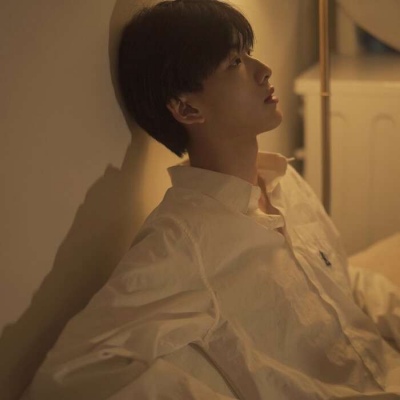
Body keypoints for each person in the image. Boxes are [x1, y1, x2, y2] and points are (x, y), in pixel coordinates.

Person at [26, 0, 400, 399]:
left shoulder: (284, 182)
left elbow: (341, 281)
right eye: (235, 63)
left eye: (248, 54)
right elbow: (71, 374)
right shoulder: (183, 241)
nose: (263, 70)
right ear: (187, 108)